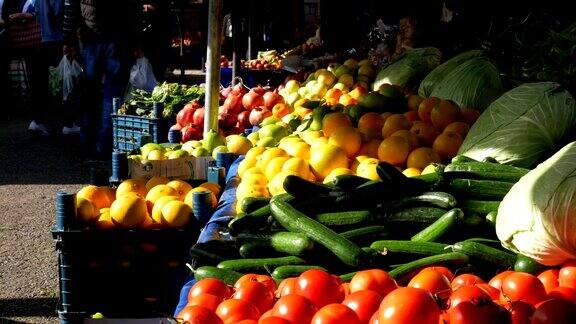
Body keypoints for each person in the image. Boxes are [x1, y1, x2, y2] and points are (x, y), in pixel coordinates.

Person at [63, 0, 140, 158]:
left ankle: (86, 139)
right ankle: (103, 143)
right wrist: (136, 40)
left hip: (91, 37)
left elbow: (71, 7)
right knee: (112, 94)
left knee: (89, 90)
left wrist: (68, 37)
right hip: (117, 38)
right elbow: (133, 8)